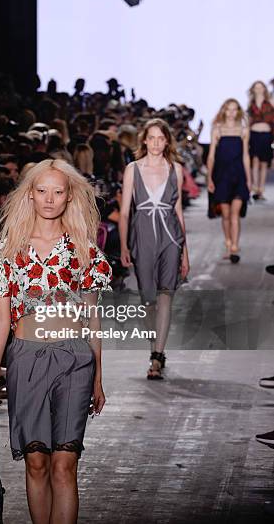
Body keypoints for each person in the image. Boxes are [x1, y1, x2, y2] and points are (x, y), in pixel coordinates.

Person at [0, 158, 112, 524]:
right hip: (26, 358)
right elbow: (1, 319)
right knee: (36, 462)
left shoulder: (83, 248)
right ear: (30, 196)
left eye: (58, 191)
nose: (50, 199)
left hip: (74, 358)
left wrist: (98, 376)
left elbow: (92, 317)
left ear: (69, 197)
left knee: (65, 464)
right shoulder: (8, 250)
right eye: (42, 191)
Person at [119, 118, 189, 380]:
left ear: (167, 141)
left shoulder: (176, 170)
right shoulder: (132, 170)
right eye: (152, 138)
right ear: (144, 140)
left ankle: (157, 355)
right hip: (143, 235)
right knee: (147, 299)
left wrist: (186, 253)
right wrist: (125, 244)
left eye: (162, 138)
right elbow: (125, 212)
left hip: (171, 237)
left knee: (165, 294)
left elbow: (179, 212)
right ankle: (154, 346)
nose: (157, 143)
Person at [207, 99, 251, 263]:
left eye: (234, 110)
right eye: (228, 109)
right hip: (222, 175)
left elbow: (246, 156)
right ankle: (228, 243)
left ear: (238, 111)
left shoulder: (243, 130)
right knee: (225, 213)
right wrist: (209, 176)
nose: (231, 113)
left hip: (238, 174)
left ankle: (234, 245)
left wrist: (249, 179)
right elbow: (211, 156)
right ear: (224, 111)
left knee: (235, 213)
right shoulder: (217, 130)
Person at [247, 81, 274, 200]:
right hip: (254, 134)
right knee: (255, 161)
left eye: (261, 87)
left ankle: (261, 189)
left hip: (267, 134)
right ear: (253, 89)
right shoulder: (250, 103)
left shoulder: (270, 102)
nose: (258, 89)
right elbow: (248, 120)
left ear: (264, 89)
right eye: (256, 87)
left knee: (264, 162)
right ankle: (255, 187)